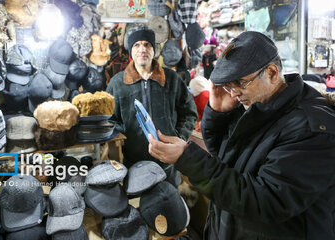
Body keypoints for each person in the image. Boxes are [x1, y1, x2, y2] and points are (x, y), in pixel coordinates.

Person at [148, 31, 335, 239]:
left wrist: (187, 159)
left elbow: (265, 201)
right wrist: (217, 115)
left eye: (240, 82)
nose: (234, 92)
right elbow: (226, 159)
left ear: (272, 73)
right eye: (229, 84)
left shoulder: (311, 129)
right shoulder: (260, 106)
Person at [106, 26, 197, 183]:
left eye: (147, 44)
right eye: (137, 45)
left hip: (168, 163)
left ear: (154, 49)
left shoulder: (172, 78)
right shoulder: (117, 83)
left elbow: (189, 113)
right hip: (133, 165)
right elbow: (109, 119)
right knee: (137, 204)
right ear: (131, 51)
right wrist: (121, 136)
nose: (142, 49)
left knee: (169, 203)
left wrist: (179, 137)